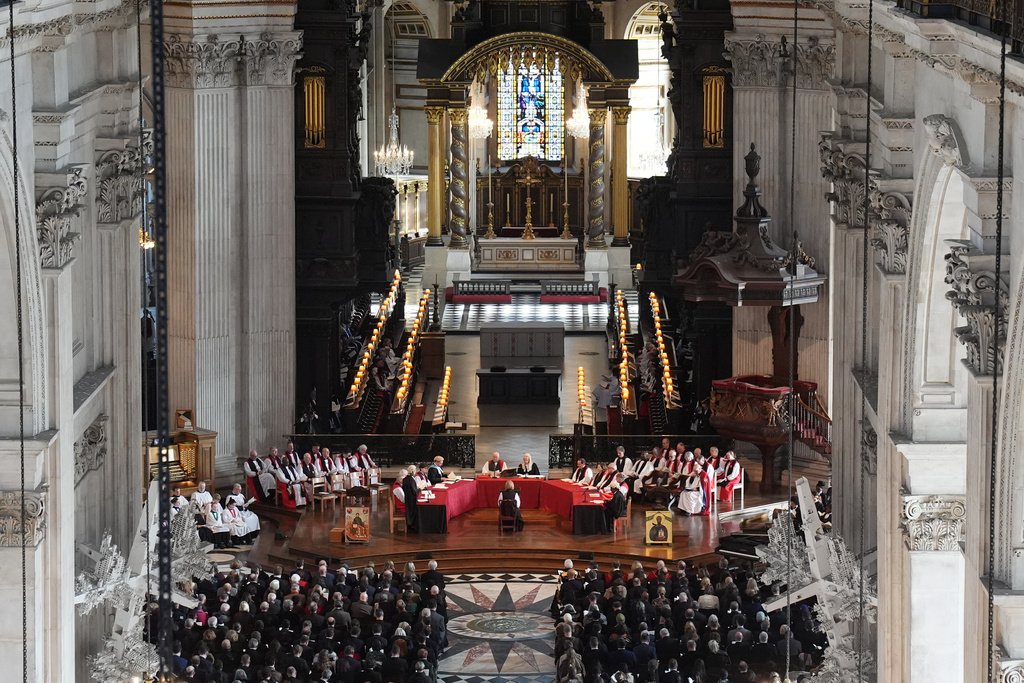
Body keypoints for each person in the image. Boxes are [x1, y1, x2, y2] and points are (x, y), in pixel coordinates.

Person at [401, 465, 419, 532]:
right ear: (413, 471)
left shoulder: (405, 479)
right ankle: (412, 526)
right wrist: (420, 490)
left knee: (409, 512)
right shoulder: (411, 480)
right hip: (412, 499)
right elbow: (414, 491)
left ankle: (409, 524)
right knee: (412, 512)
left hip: (407, 498)